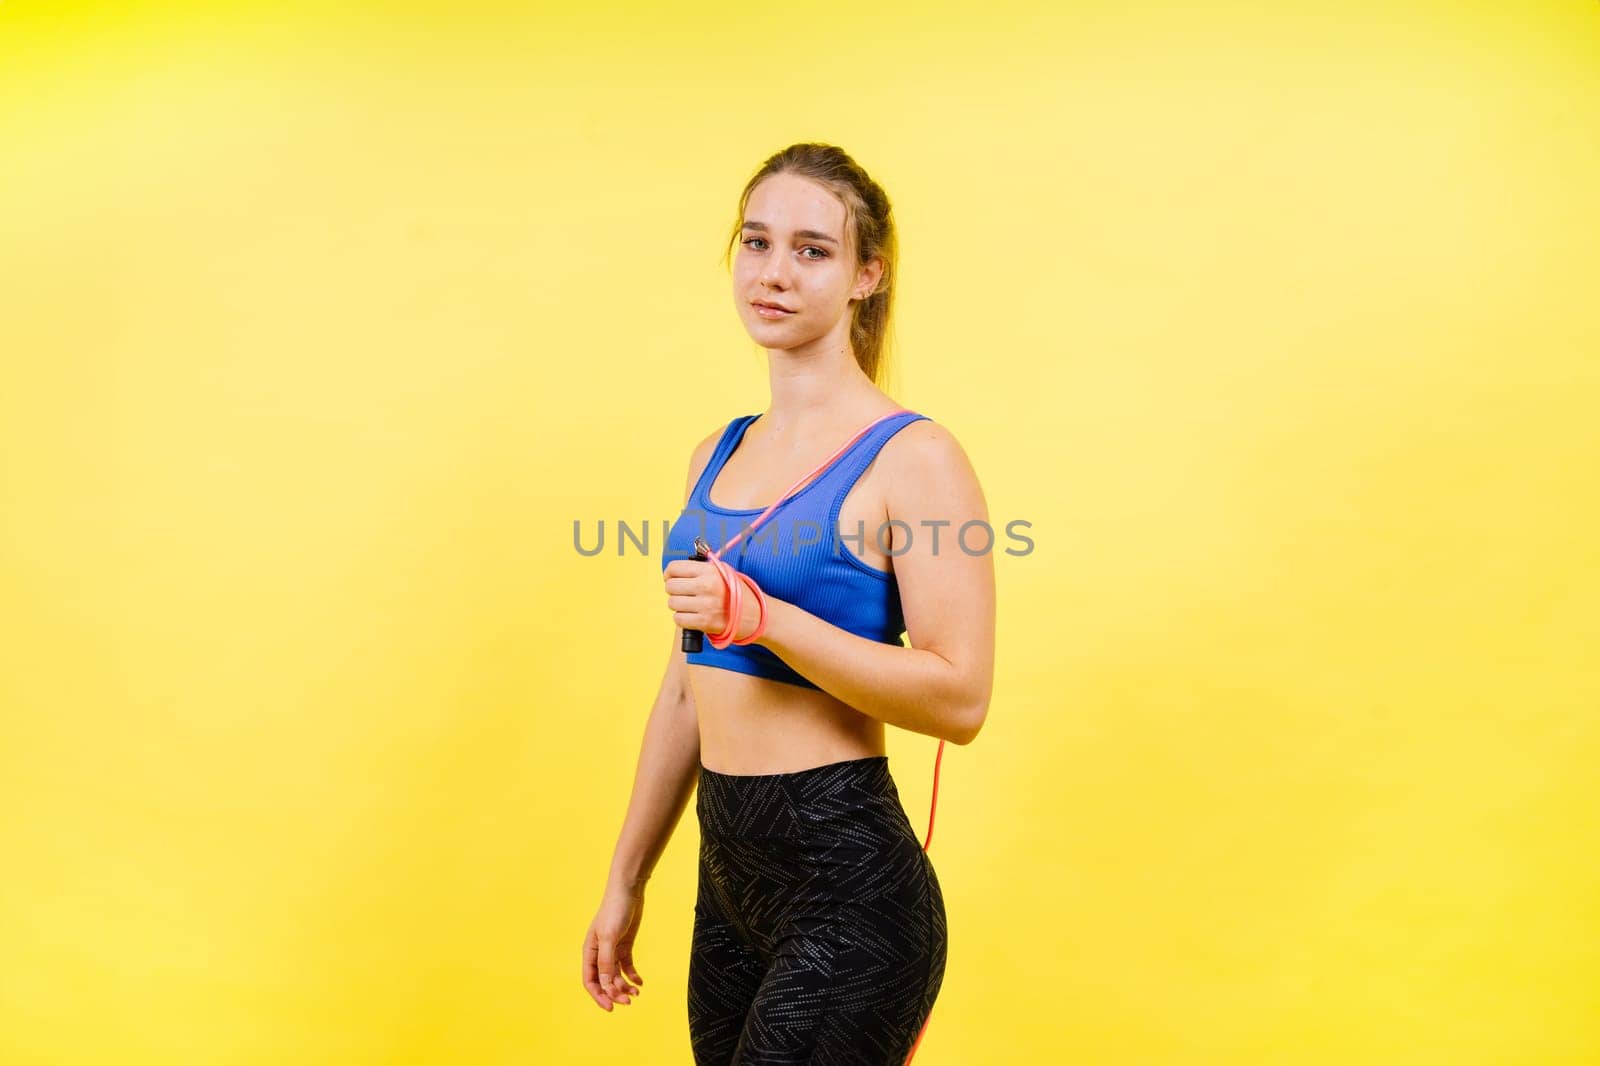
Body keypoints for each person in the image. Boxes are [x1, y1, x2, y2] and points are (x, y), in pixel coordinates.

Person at [582, 142, 996, 1065]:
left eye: (812, 250)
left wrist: (766, 618)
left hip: (847, 885)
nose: (774, 273)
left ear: (866, 275)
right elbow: (687, 690)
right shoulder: (715, 455)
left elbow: (960, 700)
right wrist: (626, 880)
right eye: (756, 241)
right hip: (727, 883)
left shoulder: (913, 457)